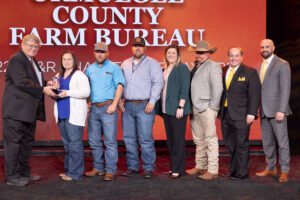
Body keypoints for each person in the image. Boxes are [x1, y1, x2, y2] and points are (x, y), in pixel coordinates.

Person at [2, 34, 57, 186]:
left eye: (36, 47)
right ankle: (12, 176)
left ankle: (24, 171)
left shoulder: (32, 61)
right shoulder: (17, 59)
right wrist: (44, 89)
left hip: (28, 112)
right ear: (23, 45)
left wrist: (48, 84)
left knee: (26, 143)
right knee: (13, 144)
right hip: (15, 111)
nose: (33, 49)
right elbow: (22, 83)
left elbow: (35, 82)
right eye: (30, 45)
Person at [119, 37, 163, 179]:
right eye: (135, 46)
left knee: (145, 139)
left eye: (140, 46)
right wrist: (119, 100)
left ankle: (149, 168)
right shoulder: (125, 63)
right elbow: (118, 83)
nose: (138, 48)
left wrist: (152, 102)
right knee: (129, 138)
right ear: (131, 48)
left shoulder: (153, 63)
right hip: (128, 105)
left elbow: (158, 83)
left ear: (145, 48)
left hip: (145, 105)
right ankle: (133, 167)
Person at [84, 42, 125, 181]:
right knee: (94, 141)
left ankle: (110, 170)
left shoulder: (114, 67)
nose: (100, 54)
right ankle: (98, 168)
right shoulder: (89, 69)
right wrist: (88, 104)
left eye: (102, 52)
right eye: (97, 51)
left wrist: (114, 104)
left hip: (108, 108)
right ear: (94, 53)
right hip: (94, 108)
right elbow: (87, 88)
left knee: (110, 142)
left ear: (107, 53)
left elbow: (120, 86)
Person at [219, 47, 261, 180]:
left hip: (242, 115)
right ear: (228, 57)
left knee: (241, 144)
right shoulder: (223, 70)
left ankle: (242, 173)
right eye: (231, 55)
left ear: (242, 57)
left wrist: (252, 113)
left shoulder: (250, 72)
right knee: (230, 144)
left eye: (237, 56)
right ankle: (233, 170)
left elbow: (254, 95)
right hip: (225, 114)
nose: (234, 58)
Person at [255, 39, 292, 182]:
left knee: (282, 143)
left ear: (273, 48)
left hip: (278, 111)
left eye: (267, 47)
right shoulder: (258, 66)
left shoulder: (282, 64)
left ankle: (285, 171)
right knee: (267, 142)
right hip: (264, 110)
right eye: (262, 47)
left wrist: (281, 109)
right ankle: (271, 168)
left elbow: (285, 89)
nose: (264, 49)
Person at [186, 40, 223, 180]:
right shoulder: (196, 66)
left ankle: (213, 170)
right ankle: (200, 165)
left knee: (210, 139)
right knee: (199, 140)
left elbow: (218, 88)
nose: (199, 55)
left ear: (209, 53)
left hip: (206, 107)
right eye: (198, 52)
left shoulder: (213, 66)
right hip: (194, 107)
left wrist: (213, 107)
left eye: (202, 53)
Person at [53, 51, 90, 181]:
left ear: (74, 61)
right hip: (62, 113)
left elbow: (86, 92)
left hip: (74, 114)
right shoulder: (59, 75)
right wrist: (52, 87)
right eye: (64, 59)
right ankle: (69, 171)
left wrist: (68, 92)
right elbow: (56, 92)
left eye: (69, 59)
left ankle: (76, 174)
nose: (66, 62)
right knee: (67, 145)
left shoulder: (79, 75)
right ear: (61, 62)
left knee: (75, 144)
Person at [156, 44, 191, 178]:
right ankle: (174, 167)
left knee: (178, 140)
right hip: (167, 109)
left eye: (173, 53)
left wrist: (181, 106)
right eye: (168, 53)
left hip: (177, 109)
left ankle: (178, 169)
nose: (170, 55)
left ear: (178, 55)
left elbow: (184, 88)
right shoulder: (165, 68)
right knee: (171, 140)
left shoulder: (182, 68)